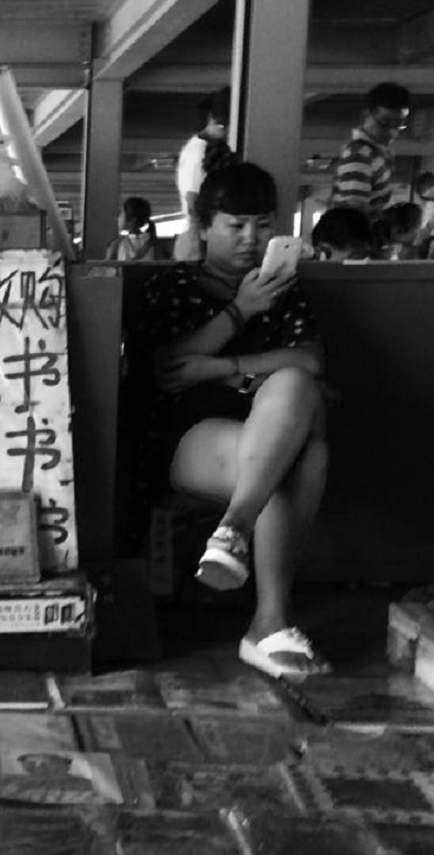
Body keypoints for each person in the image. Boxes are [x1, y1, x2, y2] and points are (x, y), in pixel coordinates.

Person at [135, 162, 331, 679]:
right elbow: (169, 366)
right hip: (190, 436)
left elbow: (309, 361)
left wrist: (221, 367)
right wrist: (241, 311)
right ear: (203, 226)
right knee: (302, 452)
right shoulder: (172, 286)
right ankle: (268, 624)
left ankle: (233, 529)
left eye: (263, 225)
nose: (250, 239)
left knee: (294, 393)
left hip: (265, 431)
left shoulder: (284, 290)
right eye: (236, 225)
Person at [330, 82, 410, 218]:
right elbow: (354, 216)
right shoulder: (359, 155)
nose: (391, 132)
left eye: (398, 125)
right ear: (366, 114)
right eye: (384, 123)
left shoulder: (374, 154)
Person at [173, 87, 232, 261]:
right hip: (199, 242)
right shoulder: (197, 151)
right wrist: (199, 250)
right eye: (223, 125)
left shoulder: (215, 148)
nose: (228, 130)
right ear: (211, 118)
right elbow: (193, 202)